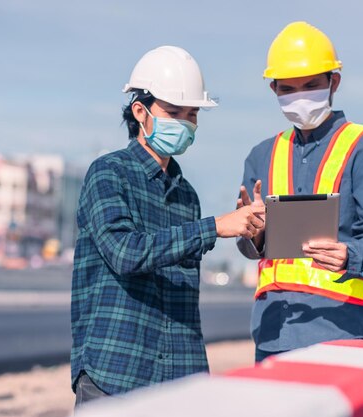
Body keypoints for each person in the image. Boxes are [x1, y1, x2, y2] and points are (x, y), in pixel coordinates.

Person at [71, 45, 265, 405]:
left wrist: (251, 230)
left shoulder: (187, 195)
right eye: (174, 112)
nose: (186, 123)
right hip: (116, 373)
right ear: (140, 112)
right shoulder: (108, 174)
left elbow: (183, 292)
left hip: (181, 377)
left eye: (192, 114)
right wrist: (214, 227)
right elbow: (125, 254)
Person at [236, 21, 363, 362]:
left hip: (341, 331)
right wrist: (253, 235)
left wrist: (349, 256)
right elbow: (250, 248)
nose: (299, 97)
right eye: (288, 89)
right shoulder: (261, 155)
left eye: (310, 85)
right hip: (271, 334)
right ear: (273, 89)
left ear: (333, 82)